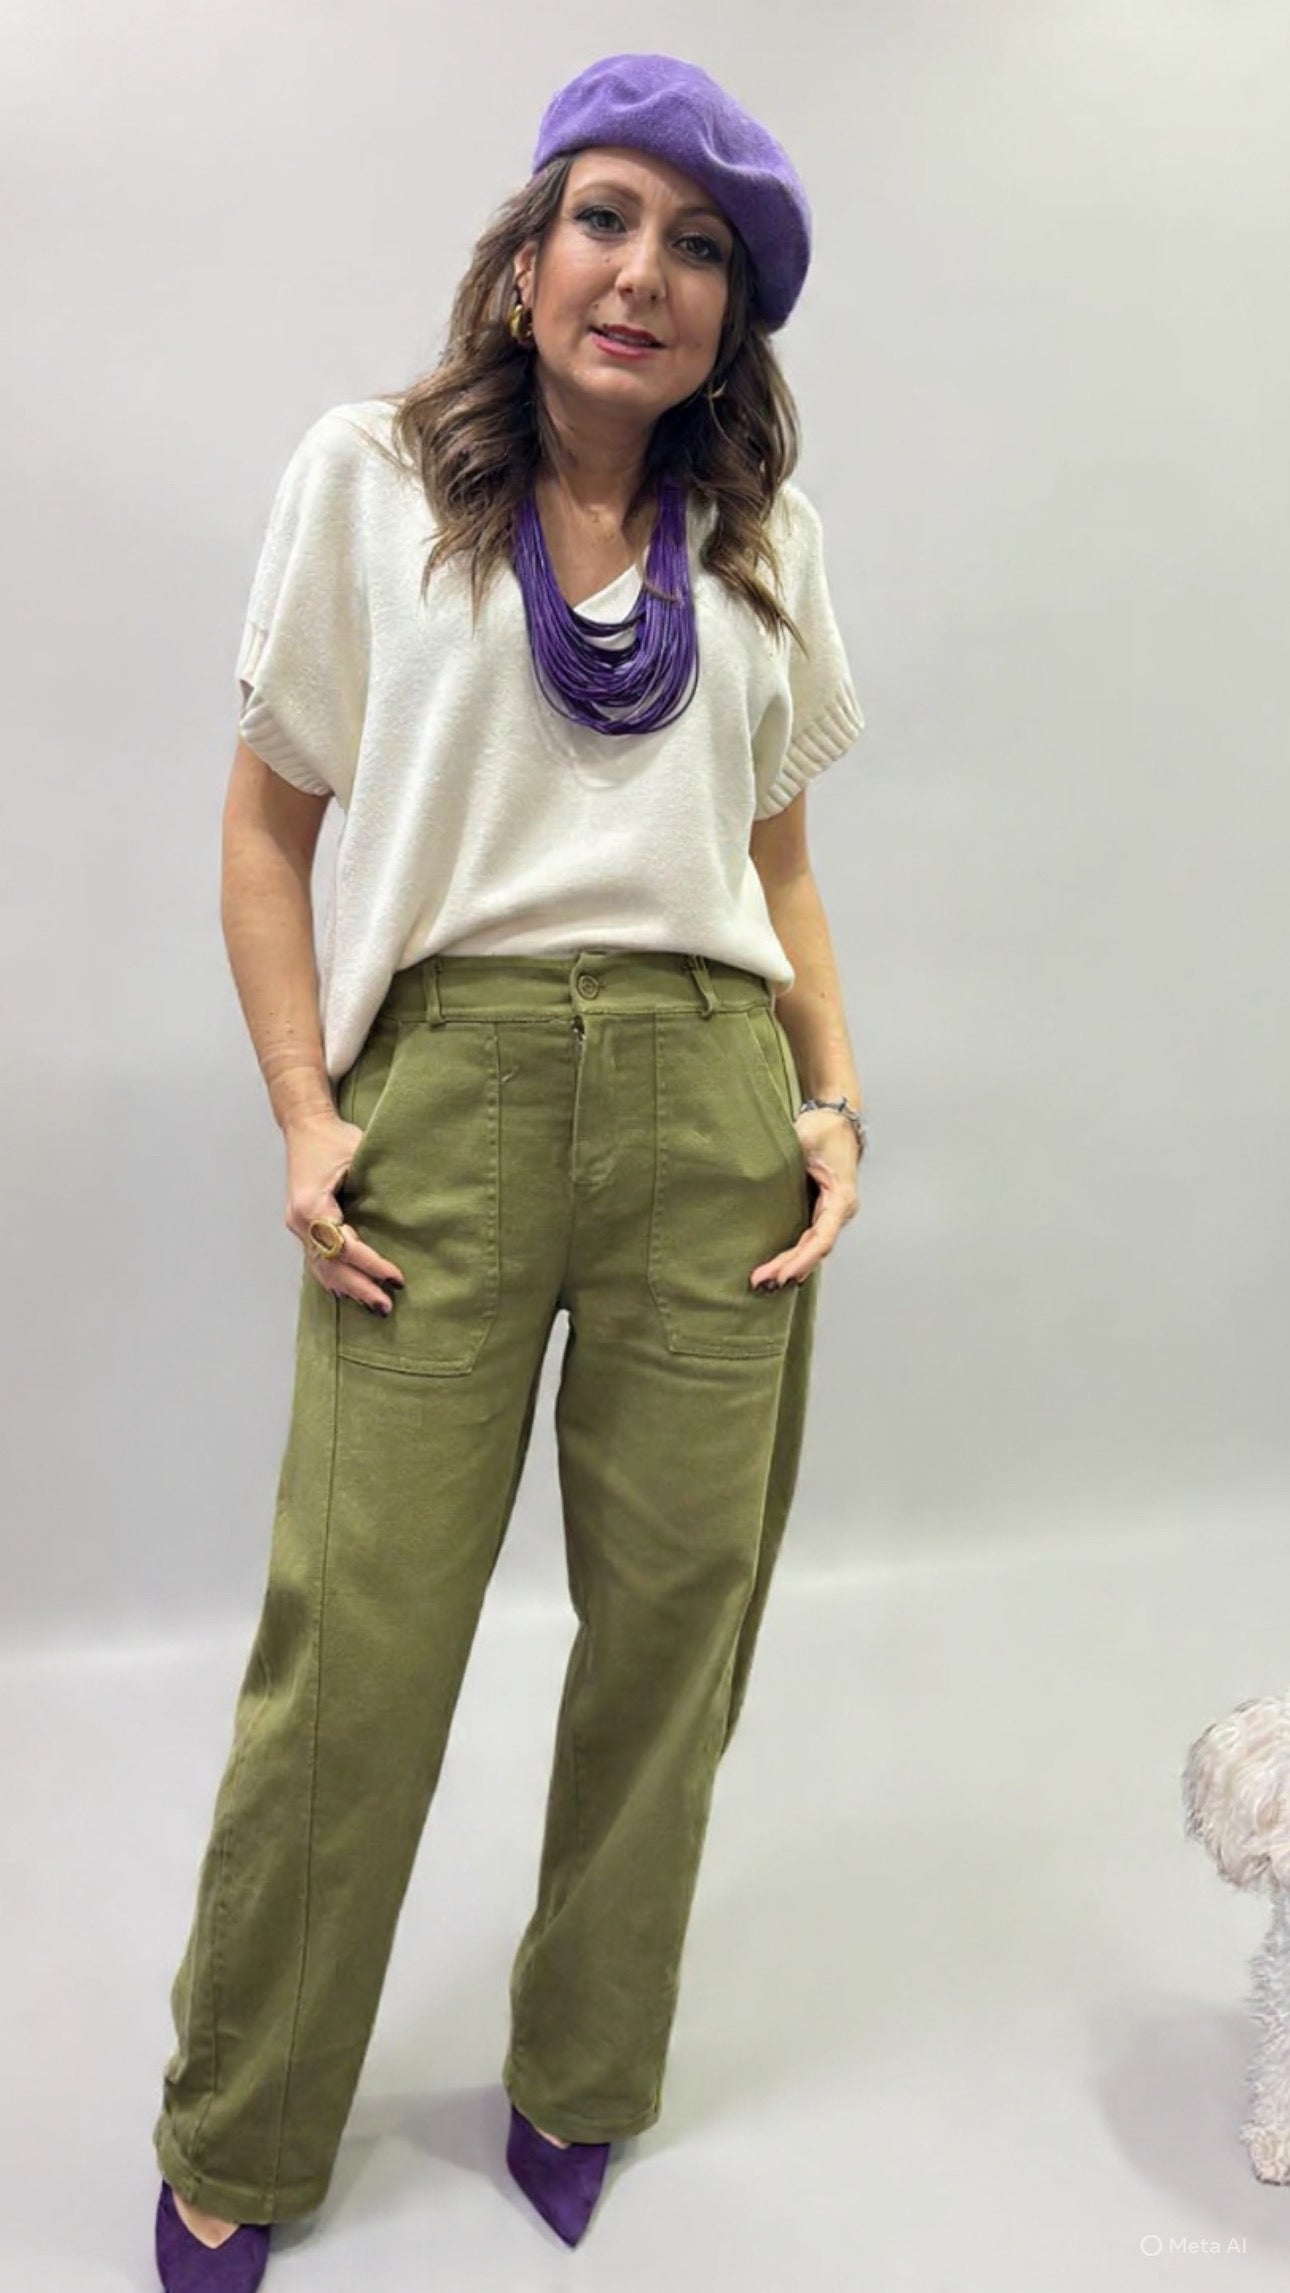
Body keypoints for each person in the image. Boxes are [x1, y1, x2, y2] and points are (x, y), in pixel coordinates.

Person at [151, 50, 869, 2291]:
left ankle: (580, 2069)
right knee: (356, 1646)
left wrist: (833, 1100)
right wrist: (309, 1108)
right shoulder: (370, 480)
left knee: (675, 1632)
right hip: (444, 1100)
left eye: (698, 248)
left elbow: (780, 864)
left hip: (707, 1106)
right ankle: (243, 2123)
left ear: (731, 313)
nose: (643, 275)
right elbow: (266, 831)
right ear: (531, 247)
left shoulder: (760, 538)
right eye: (608, 219)